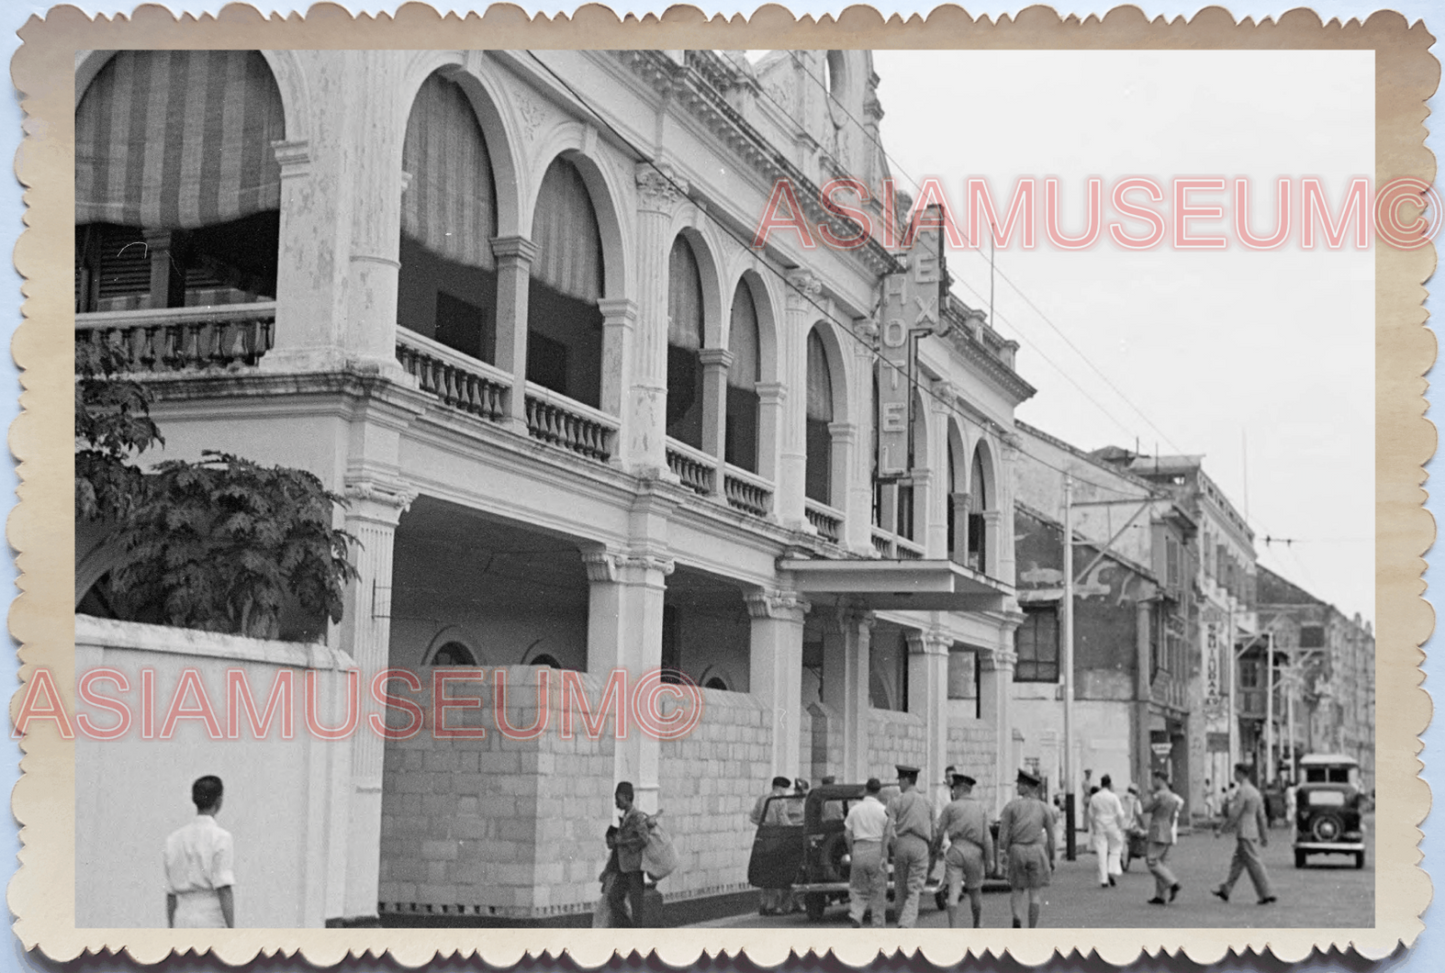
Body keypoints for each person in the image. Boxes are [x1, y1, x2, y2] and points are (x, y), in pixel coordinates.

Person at [163, 775, 235, 928]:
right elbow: (224, 888)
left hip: (182, 915)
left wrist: (170, 927)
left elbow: (170, 893)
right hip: (211, 917)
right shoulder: (221, 837)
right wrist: (232, 929)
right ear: (219, 801)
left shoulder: (174, 839)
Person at [932, 773, 994, 928]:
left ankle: (953, 927)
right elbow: (987, 837)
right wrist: (990, 859)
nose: (953, 792)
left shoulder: (951, 807)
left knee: (954, 890)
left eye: (954, 789)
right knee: (975, 891)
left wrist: (935, 849)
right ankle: (977, 924)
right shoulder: (980, 808)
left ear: (960, 789)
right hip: (975, 852)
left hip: (956, 850)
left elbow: (939, 832)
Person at [997, 769, 1057, 928]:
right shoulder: (1044, 808)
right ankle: (1032, 929)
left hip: (1017, 850)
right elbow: (1051, 837)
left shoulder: (1011, 807)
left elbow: (1002, 835)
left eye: (1020, 785)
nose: (1017, 788)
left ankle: (1017, 918)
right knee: (1035, 893)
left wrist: (1003, 853)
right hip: (1037, 851)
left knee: (1017, 889)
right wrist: (1052, 858)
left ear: (1026, 787)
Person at [1211, 763, 1277, 905]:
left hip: (1244, 832)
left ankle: (1267, 893)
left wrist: (1222, 829)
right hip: (1251, 831)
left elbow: (1235, 813)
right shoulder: (1254, 791)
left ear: (1241, 773)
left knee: (1254, 863)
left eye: (1235, 772)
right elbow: (1261, 816)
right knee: (1237, 863)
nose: (1234, 775)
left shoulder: (1242, 791)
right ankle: (1225, 889)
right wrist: (1264, 835)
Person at [886, 764, 934, 929]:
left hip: (901, 843)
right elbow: (933, 830)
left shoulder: (896, 801)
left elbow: (889, 827)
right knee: (915, 889)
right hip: (920, 845)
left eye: (900, 780)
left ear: (906, 780)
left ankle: (902, 922)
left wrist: (887, 847)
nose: (899, 784)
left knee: (900, 889)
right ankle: (906, 925)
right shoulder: (927, 802)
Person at [843, 777, 891, 928]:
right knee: (878, 890)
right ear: (879, 791)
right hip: (877, 849)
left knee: (858, 888)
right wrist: (885, 854)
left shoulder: (855, 809)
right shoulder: (884, 810)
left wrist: (851, 852)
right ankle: (877, 925)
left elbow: (847, 834)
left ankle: (856, 915)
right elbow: (889, 833)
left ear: (866, 789)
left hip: (859, 849)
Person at [749, 775, 793, 914]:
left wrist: (763, 824)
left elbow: (753, 817)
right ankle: (772, 905)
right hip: (776, 836)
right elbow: (783, 820)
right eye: (785, 789)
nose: (785, 792)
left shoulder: (762, 799)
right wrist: (792, 829)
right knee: (776, 870)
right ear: (779, 788)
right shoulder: (779, 800)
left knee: (765, 870)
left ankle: (764, 903)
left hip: (763, 835)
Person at [609, 781, 651, 926]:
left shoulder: (637, 816)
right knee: (614, 897)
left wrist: (623, 841)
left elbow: (644, 838)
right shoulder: (626, 816)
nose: (616, 801)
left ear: (626, 797)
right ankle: (627, 928)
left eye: (618, 797)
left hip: (634, 868)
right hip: (623, 868)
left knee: (636, 906)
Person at [1140, 770, 1184, 905]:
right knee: (1162, 863)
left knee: (1152, 861)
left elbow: (1145, 808)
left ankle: (1173, 883)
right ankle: (1160, 895)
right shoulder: (1172, 796)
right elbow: (1171, 817)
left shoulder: (1159, 795)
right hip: (1166, 829)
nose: (1152, 782)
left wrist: (1148, 794)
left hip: (1157, 829)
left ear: (1159, 779)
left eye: (1153, 779)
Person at [1087, 774, 1126, 888]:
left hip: (1099, 826)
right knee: (1116, 848)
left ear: (1101, 784)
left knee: (1101, 853)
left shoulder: (1094, 797)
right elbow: (1120, 813)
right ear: (1110, 784)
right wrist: (1120, 824)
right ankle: (1112, 870)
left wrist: (1094, 827)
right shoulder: (1113, 797)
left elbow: (1090, 814)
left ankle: (1103, 879)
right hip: (1112, 826)